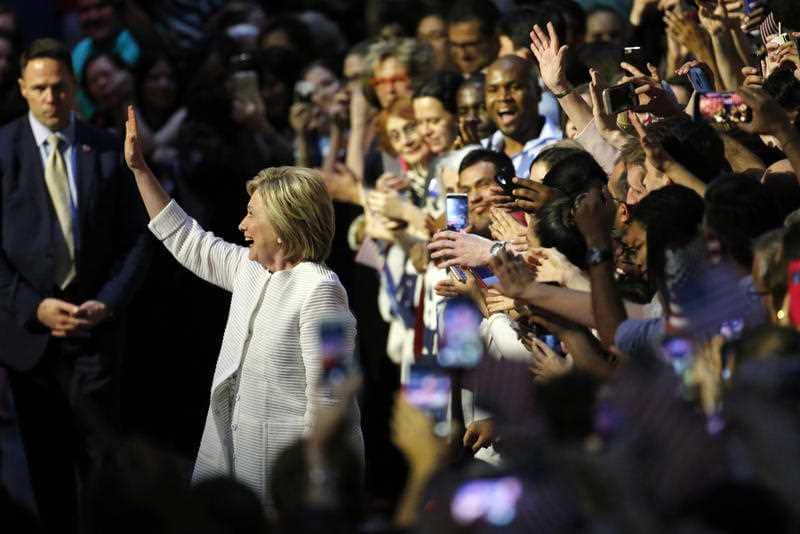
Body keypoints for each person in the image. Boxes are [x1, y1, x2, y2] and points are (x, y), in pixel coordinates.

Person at [124, 106, 364, 513]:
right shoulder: (251, 270)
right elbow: (187, 239)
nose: (242, 225)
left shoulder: (322, 291)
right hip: (234, 460)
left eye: (252, 215)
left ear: (286, 225)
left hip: (288, 474)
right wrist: (140, 170)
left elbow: (332, 395)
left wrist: (311, 485)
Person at [0, 38, 150, 533]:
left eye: (59, 87)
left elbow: (139, 238)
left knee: (102, 466)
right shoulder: (3, 151)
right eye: (39, 88)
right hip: (30, 343)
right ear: (22, 89)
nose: (50, 98)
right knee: (44, 473)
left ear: (74, 88)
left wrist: (108, 303)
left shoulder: (106, 150)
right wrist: (32, 305)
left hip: (97, 338)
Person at [482, 55, 563, 178]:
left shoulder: (561, 147)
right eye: (493, 90)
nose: (503, 97)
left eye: (515, 87)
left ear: (537, 92)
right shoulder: (481, 150)